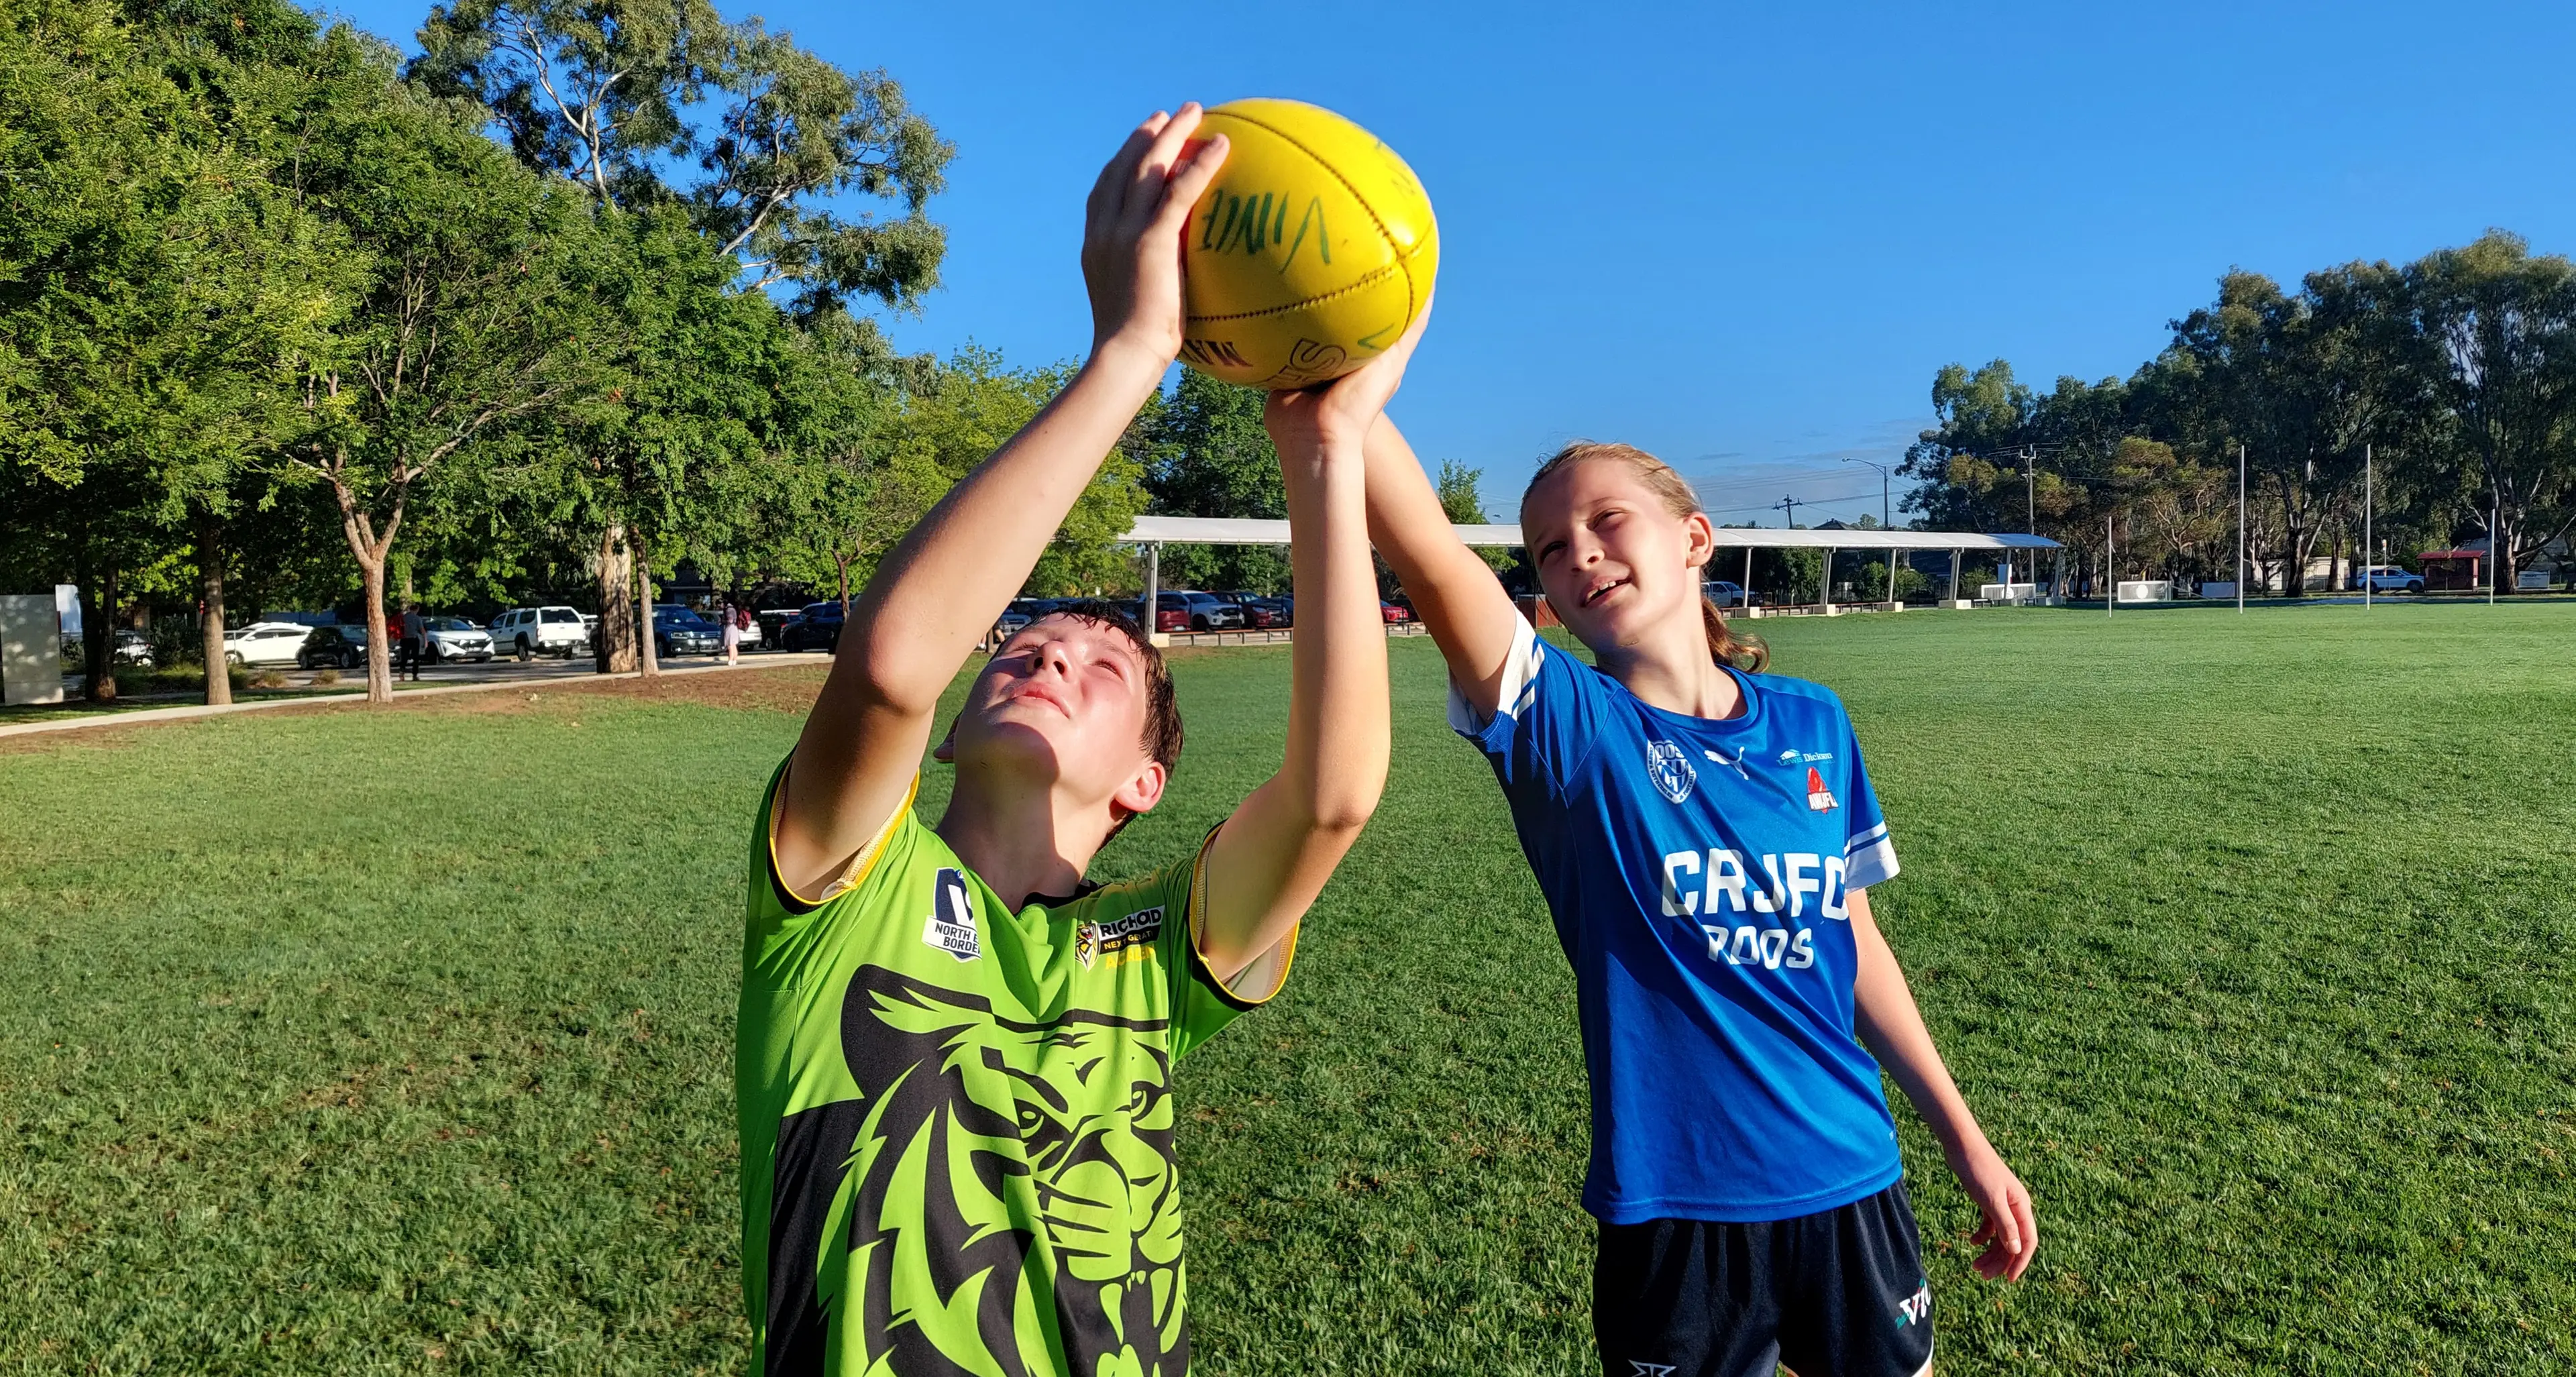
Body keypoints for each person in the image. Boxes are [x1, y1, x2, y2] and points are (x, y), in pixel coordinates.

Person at [742, 103, 1413, 1376]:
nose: (1051, 654)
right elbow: (891, 662)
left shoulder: (1153, 953)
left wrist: (1326, 452)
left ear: (1145, 784)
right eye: (1023, 646)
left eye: (1106, 665)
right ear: (943, 740)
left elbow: (1331, 799)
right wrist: (1127, 358)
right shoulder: (837, 888)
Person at [1358, 428, 2036, 1377]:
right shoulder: (1575, 733)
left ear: (1695, 539)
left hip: (1850, 1173)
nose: (1579, 552)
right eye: (1551, 549)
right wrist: (1350, 393)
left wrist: (1968, 1143)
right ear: (1546, 596)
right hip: (1678, 1211)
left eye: (1606, 520)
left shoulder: (1815, 722)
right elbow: (1430, 557)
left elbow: (1855, 949)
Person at [398, 604, 425, 681]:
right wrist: (425, 640)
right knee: (416, 658)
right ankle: (415, 675)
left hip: (404, 639)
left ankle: (402, 673)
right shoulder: (417, 618)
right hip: (414, 639)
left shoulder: (404, 617)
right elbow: (422, 630)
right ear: (417, 610)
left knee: (404, 657)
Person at [720, 601, 743, 667]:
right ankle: (734, 660)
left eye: (720, 605)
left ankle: (730, 660)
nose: (720, 607)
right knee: (734, 646)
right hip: (735, 628)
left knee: (730, 645)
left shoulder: (728, 610)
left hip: (730, 628)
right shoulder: (733, 609)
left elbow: (730, 620)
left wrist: (723, 621)